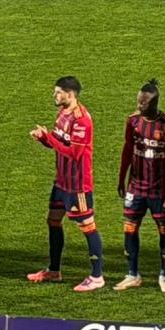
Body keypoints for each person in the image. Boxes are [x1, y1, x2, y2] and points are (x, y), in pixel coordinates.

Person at [28, 76, 105, 292]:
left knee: (87, 226)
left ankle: (97, 275)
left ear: (70, 94)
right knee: (53, 221)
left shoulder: (82, 120)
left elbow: (74, 152)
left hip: (77, 184)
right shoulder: (63, 113)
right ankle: (54, 271)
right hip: (61, 181)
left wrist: (49, 139)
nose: (55, 96)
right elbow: (58, 142)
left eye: (58, 92)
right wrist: (43, 138)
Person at [115, 79, 165, 292]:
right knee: (130, 227)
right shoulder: (132, 121)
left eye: (144, 103)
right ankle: (132, 274)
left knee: (164, 230)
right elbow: (127, 149)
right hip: (136, 186)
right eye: (138, 102)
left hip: (160, 189)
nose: (139, 106)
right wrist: (121, 178)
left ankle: (164, 275)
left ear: (154, 103)